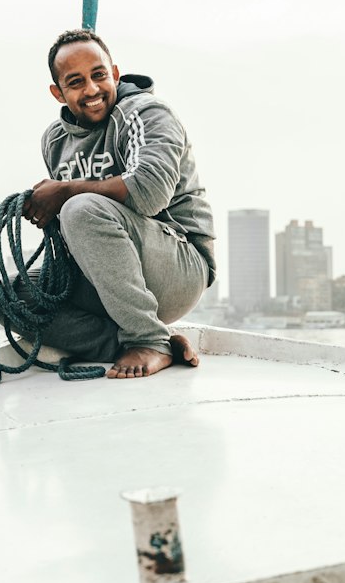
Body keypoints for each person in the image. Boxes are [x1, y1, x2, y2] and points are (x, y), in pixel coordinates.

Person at [22, 29, 216, 380]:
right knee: (10, 294)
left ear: (114, 73)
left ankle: (148, 339)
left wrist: (64, 192)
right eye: (76, 82)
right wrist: (42, 209)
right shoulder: (54, 140)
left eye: (99, 75)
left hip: (179, 265)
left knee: (80, 208)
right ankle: (140, 341)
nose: (92, 90)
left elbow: (149, 193)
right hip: (110, 279)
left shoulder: (148, 113)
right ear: (58, 93)